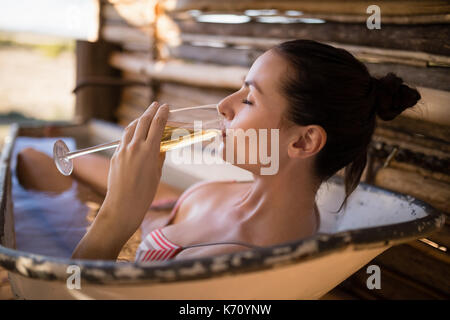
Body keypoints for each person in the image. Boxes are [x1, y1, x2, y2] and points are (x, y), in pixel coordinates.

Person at [17, 39, 421, 262]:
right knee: (30, 157)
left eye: (248, 99)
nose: (223, 106)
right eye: (240, 89)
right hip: (169, 213)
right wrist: (132, 189)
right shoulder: (232, 192)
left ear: (302, 141)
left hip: (133, 235)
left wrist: (116, 216)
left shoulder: (231, 260)